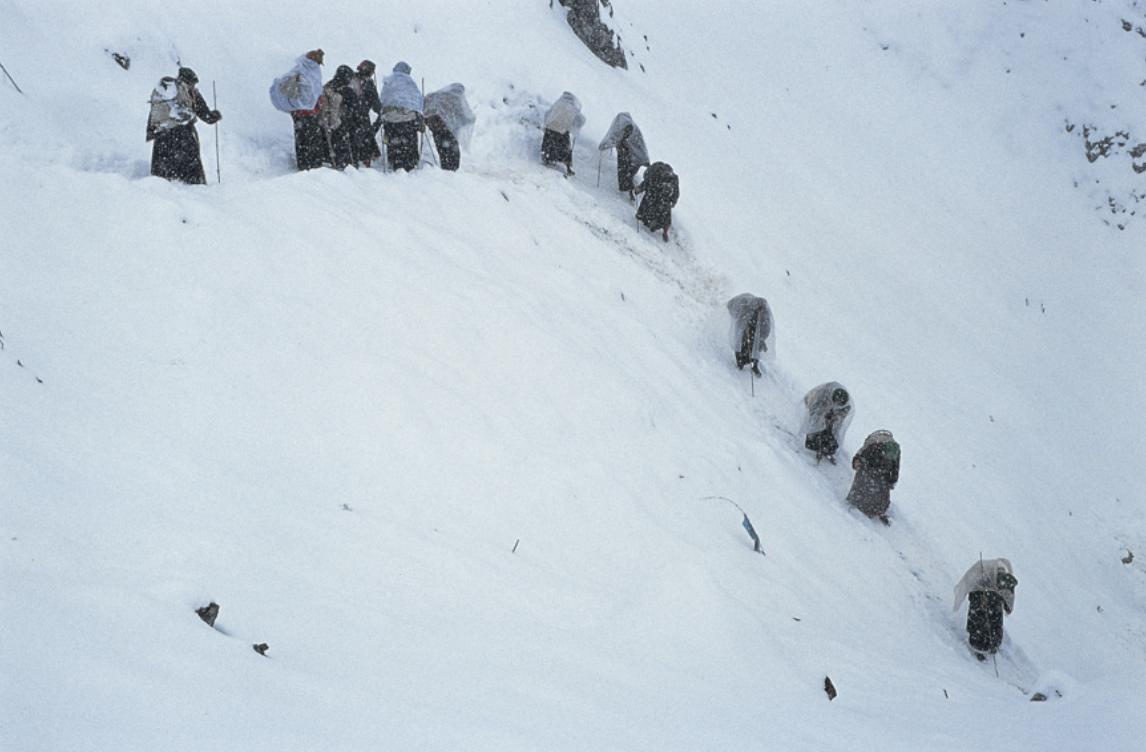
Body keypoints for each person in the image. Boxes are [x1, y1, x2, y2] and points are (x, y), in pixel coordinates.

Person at [146, 67, 221, 184]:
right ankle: (196, 193)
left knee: (162, 181)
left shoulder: (164, 92)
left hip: (162, 137)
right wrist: (215, 116)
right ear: (191, 81)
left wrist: (151, 132)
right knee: (191, 177)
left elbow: (153, 114)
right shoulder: (191, 92)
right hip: (183, 136)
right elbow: (206, 115)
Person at [270, 50, 328, 170]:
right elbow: (315, 93)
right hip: (309, 113)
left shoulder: (299, 69)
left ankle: (303, 163)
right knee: (312, 139)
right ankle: (313, 164)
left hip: (298, 113)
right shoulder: (311, 71)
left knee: (301, 138)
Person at [953, 558, 1017, 659]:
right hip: (978, 594)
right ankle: (978, 645)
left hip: (993, 599)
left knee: (995, 620)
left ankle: (993, 644)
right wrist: (982, 597)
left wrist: (1004, 605)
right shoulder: (985, 572)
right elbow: (973, 585)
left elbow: (1008, 601)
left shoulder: (1006, 582)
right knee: (980, 620)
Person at [846, 430, 900, 523]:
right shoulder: (884, 447)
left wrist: (891, 481)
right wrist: (891, 481)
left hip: (877, 464)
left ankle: (871, 506)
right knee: (874, 481)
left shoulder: (893, 451)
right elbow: (895, 468)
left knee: (875, 480)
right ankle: (868, 504)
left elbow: (895, 469)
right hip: (877, 465)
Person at [379, 62, 424, 171]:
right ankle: (410, 161)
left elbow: (383, 100)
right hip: (407, 118)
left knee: (393, 140)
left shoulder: (388, 82)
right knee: (409, 141)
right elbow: (417, 100)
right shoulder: (409, 82)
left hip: (390, 119)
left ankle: (394, 160)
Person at [424, 83, 475, 171]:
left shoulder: (438, 96)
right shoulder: (456, 99)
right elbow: (463, 116)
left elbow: (427, 109)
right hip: (448, 131)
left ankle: (446, 168)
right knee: (452, 151)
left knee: (442, 149)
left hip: (437, 129)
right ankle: (451, 171)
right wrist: (470, 119)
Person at [598, 113, 649, 198]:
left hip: (633, 157)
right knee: (624, 172)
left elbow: (640, 149)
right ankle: (628, 190)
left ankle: (630, 192)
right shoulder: (623, 128)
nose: (626, 134)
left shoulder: (633, 132)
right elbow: (613, 137)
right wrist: (604, 145)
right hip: (626, 153)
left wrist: (644, 160)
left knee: (627, 173)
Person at [802, 382, 853, 464]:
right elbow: (814, 410)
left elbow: (841, 420)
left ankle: (825, 446)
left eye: (840, 404)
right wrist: (821, 419)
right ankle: (817, 443)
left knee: (830, 437)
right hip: (818, 409)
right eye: (837, 402)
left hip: (830, 418)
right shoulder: (822, 395)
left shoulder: (846, 406)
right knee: (816, 432)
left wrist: (835, 419)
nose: (837, 404)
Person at [725, 294, 773, 376]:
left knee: (755, 348)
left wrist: (761, 339)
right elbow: (740, 319)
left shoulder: (765, 316)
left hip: (756, 333)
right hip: (745, 330)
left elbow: (766, 329)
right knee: (742, 345)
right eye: (759, 308)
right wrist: (745, 327)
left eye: (762, 309)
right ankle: (740, 362)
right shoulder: (746, 308)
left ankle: (754, 365)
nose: (760, 311)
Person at [321, 65, 359, 169]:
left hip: (324, 122)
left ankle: (328, 160)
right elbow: (355, 108)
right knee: (344, 145)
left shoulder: (328, 86)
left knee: (329, 143)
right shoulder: (346, 90)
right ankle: (347, 164)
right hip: (341, 122)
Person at [347, 60, 382, 167]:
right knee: (366, 136)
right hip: (361, 117)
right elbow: (376, 105)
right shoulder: (368, 84)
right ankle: (366, 159)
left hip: (349, 116)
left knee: (353, 138)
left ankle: (353, 159)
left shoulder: (350, 79)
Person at [541, 91, 585, 175]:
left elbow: (548, 113)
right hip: (562, 130)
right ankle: (568, 166)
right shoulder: (572, 107)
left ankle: (547, 157)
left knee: (549, 143)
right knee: (565, 148)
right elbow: (579, 120)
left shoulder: (558, 103)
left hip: (550, 128)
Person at [634, 161, 679, 241]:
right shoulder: (655, 175)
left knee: (654, 210)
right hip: (658, 196)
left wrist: (639, 189)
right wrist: (673, 201)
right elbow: (676, 192)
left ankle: (652, 223)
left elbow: (646, 183)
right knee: (663, 215)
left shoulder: (670, 179)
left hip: (657, 196)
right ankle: (662, 230)